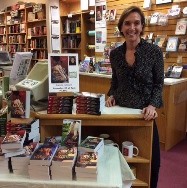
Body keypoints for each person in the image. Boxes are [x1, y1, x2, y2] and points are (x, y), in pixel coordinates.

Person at [105, 6, 164, 188]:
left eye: (136, 23)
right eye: (127, 23)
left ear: (142, 26)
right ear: (121, 28)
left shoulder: (154, 52)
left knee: (150, 163)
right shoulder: (115, 54)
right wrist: (111, 96)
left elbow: (158, 84)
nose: (132, 28)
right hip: (120, 116)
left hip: (144, 116)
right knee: (120, 161)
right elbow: (115, 82)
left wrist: (153, 105)